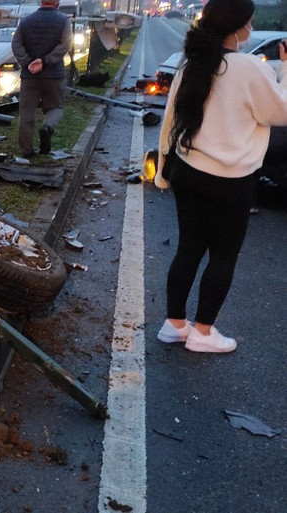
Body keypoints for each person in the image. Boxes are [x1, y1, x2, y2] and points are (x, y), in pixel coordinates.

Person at [155, 0, 287, 353]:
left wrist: (163, 170)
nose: (251, 29)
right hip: (231, 178)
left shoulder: (192, 64)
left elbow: (170, 118)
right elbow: (280, 112)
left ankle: (174, 324)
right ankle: (203, 332)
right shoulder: (247, 68)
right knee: (223, 256)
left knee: (188, 248)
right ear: (239, 27)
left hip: (187, 169)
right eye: (250, 23)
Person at [11, 0, 71, 158]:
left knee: (26, 112)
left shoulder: (26, 21)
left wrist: (27, 62)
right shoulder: (63, 20)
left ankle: (27, 150)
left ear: (40, 2)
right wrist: (45, 61)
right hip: (54, 75)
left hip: (29, 76)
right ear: (57, 3)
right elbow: (65, 45)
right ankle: (47, 126)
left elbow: (16, 45)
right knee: (56, 108)